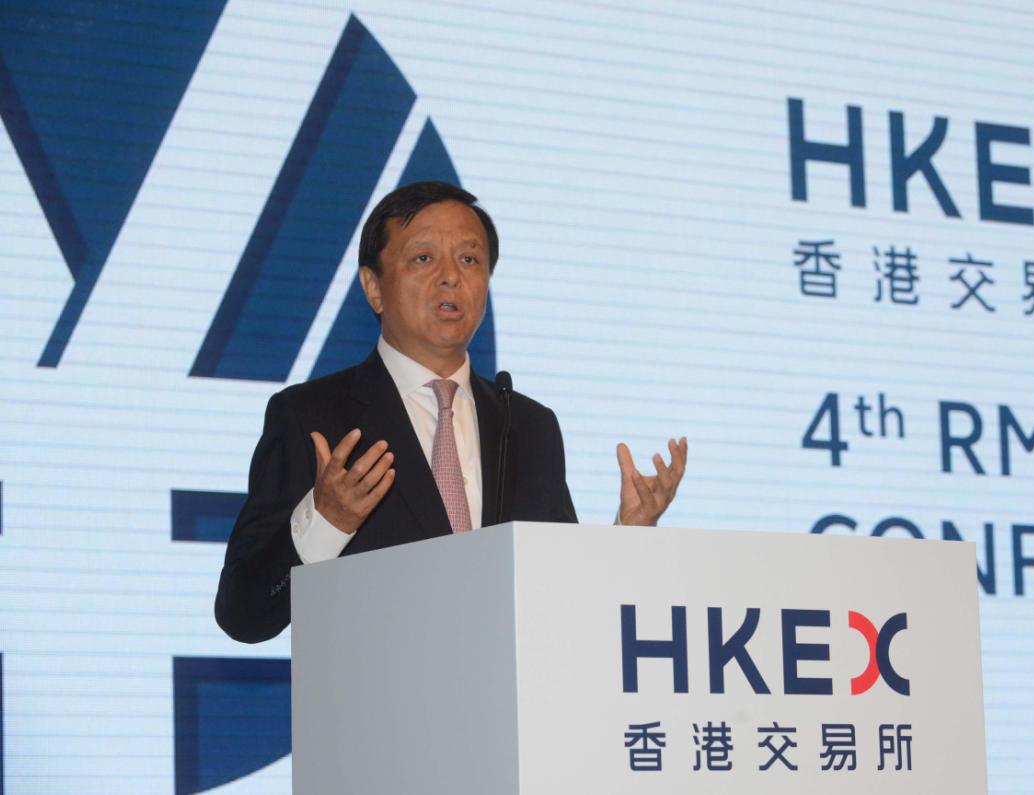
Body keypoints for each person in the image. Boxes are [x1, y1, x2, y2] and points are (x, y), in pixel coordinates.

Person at [215, 181, 687, 643]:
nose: (451, 277)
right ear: (373, 287)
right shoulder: (312, 416)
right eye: (423, 258)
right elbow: (243, 614)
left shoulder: (529, 426)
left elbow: (560, 600)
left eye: (469, 259)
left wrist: (628, 535)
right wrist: (327, 521)